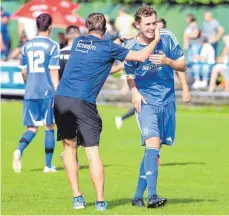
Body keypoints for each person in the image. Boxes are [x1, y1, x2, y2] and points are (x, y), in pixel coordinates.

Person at [54, 12, 160, 211]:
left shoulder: (78, 42)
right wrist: (156, 40)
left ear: (87, 28)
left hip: (61, 99)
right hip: (83, 102)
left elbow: (97, 58)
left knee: (69, 148)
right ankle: (100, 202)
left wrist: (120, 40)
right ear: (105, 29)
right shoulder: (108, 47)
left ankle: (77, 197)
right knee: (92, 152)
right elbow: (141, 56)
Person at [124, 5, 187, 208]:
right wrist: (134, 91)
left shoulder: (167, 37)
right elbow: (129, 75)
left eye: (154, 23)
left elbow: (183, 65)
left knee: (154, 149)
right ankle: (152, 196)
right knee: (153, 144)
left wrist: (168, 61)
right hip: (146, 102)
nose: (152, 27)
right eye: (148, 24)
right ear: (138, 24)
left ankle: (136, 196)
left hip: (167, 101)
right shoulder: (131, 46)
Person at [12, 13, 60, 173]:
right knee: (49, 126)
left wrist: (29, 86)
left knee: (32, 128)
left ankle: (18, 150)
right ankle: (47, 165)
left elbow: (24, 72)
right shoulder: (53, 46)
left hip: (30, 91)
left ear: (36, 26)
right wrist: (58, 92)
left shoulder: (26, 46)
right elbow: (53, 72)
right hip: (47, 91)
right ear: (50, 27)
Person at [59, 25, 81, 166]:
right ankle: (70, 157)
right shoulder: (80, 52)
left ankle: (71, 157)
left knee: (67, 128)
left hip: (62, 95)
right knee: (84, 126)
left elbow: (56, 74)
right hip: (78, 94)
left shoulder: (59, 53)